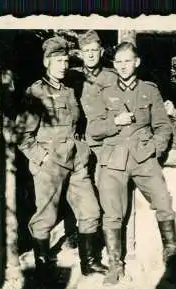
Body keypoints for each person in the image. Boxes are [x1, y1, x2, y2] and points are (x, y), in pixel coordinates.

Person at [15, 36, 108, 279]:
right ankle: (43, 269)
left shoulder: (69, 90)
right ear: (47, 62)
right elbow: (22, 135)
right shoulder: (35, 92)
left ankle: (89, 263)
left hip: (76, 160)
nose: (63, 65)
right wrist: (42, 157)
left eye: (66, 60)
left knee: (91, 210)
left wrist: (83, 147)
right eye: (58, 61)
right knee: (45, 216)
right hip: (51, 162)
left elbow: (78, 122)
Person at [88, 42, 176, 285]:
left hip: (143, 158)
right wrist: (115, 122)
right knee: (112, 214)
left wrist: (155, 151)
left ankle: (172, 258)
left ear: (136, 62)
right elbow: (93, 130)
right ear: (114, 65)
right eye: (118, 62)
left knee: (163, 202)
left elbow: (162, 126)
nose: (123, 66)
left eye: (127, 61)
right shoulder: (103, 92)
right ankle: (115, 265)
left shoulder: (150, 90)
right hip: (113, 160)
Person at [67, 30, 119, 188]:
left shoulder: (113, 77)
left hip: (105, 142)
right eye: (86, 51)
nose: (90, 55)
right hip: (80, 142)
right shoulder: (71, 77)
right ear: (80, 54)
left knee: (106, 187)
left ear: (101, 52)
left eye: (94, 50)